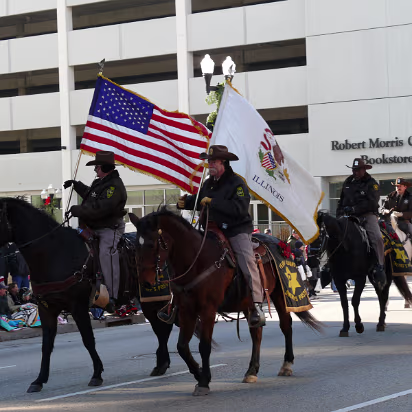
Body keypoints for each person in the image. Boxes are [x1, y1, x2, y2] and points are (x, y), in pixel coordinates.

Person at [177, 145, 265, 328]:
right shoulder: (208, 183)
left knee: (247, 260)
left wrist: (214, 203)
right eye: (208, 161)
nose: (210, 164)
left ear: (223, 162)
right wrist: (186, 202)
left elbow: (239, 209)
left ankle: (256, 306)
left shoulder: (237, 183)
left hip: (235, 230)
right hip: (210, 230)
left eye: (213, 161)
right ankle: (178, 303)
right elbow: (200, 199)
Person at [64, 151, 127, 312]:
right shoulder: (101, 182)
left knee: (107, 254)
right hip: (92, 228)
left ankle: (112, 297)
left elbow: (102, 207)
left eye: (97, 167)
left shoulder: (115, 186)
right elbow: (90, 196)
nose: (95, 170)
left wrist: (80, 210)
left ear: (106, 167)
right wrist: (76, 184)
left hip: (108, 228)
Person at [336, 158, 385, 287]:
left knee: (377, 238)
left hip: (366, 215)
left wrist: (354, 209)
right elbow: (341, 200)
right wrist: (339, 215)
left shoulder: (371, 183)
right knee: (334, 235)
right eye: (354, 170)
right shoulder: (348, 181)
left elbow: (372, 202)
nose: (355, 172)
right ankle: (331, 266)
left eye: (358, 170)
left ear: (364, 170)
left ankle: (380, 266)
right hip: (348, 216)